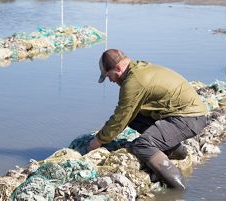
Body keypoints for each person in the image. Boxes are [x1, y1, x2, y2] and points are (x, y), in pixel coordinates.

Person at [88, 49, 208, 189]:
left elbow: (120, 118)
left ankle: (179, 189)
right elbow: (125, 115)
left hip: (189, 118)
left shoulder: (134, 82)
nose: (110, 80)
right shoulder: (138, 68)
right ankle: (177, 152)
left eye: (109, 75)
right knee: (133, 117)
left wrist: (98, 140)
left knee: (142, 145)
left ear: (118, 68)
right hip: (183, 114)